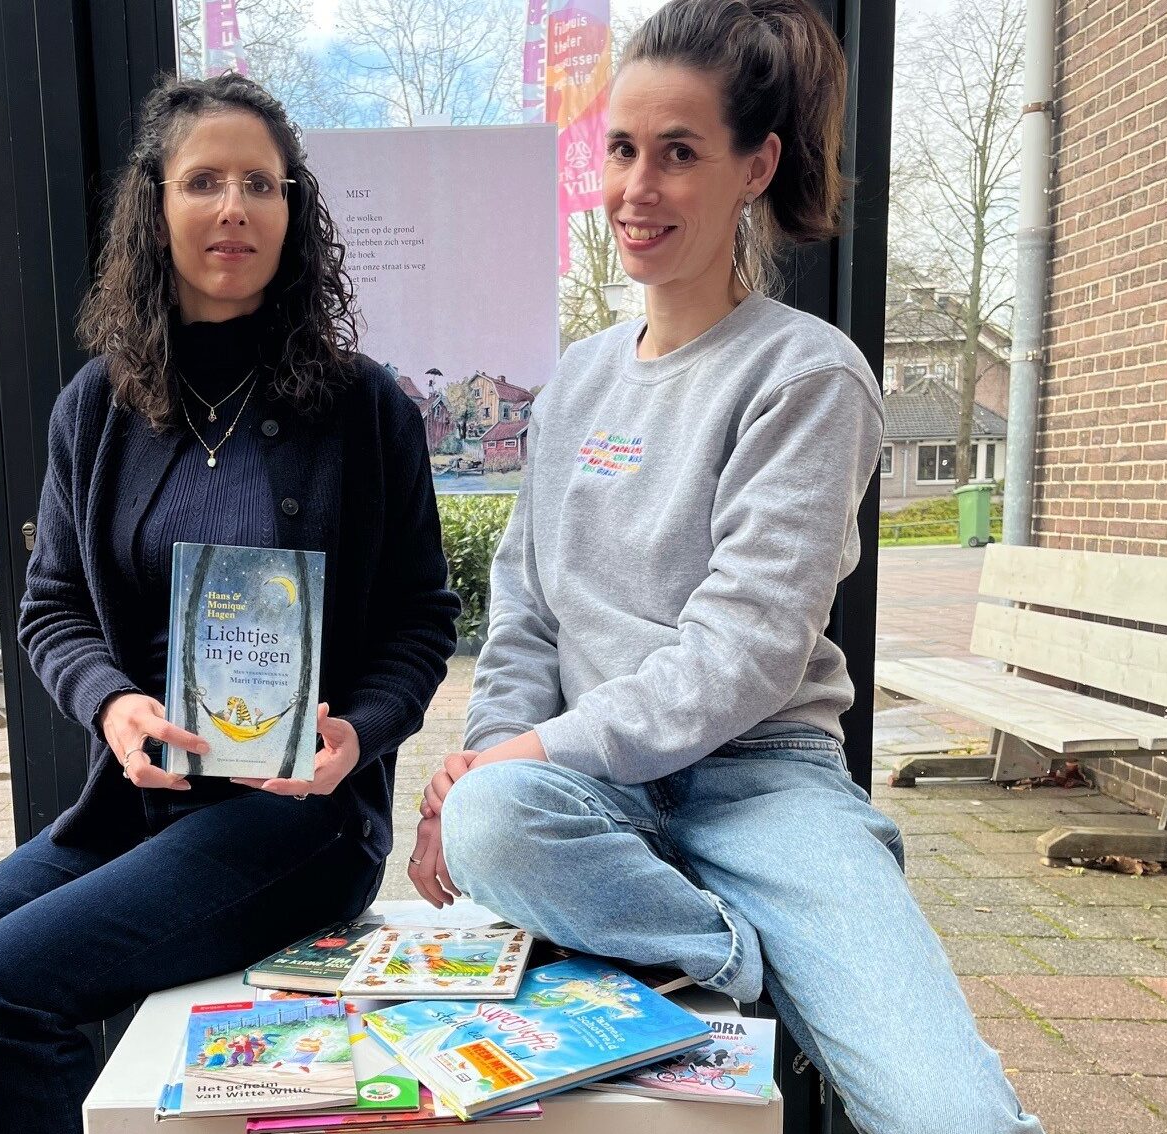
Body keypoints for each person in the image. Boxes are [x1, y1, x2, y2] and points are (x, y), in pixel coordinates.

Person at [408, 3, 1043, 1132]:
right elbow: (527, 622)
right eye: (621, 148)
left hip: (762, 780)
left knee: (948, 1113)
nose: (636, 188)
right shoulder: (577, 382)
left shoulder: (807, 376)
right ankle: (748, 955)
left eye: (679, 153)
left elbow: (743, 654)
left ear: (755, 167)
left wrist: (528, 751)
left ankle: (795, 942)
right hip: (592, 789)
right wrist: (475, 771)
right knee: (491, 819)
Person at [0, 72, 458, 1134]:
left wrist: (359, 733)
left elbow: (420, 620)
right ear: (154, 204)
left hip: (298, 821)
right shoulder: (97, 407)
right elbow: (51, 608)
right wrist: (112, 704)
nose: (234, 207)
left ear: (293, 209)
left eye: (261, 184)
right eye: (204, 181)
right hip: (130, 809)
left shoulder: (366, 409)